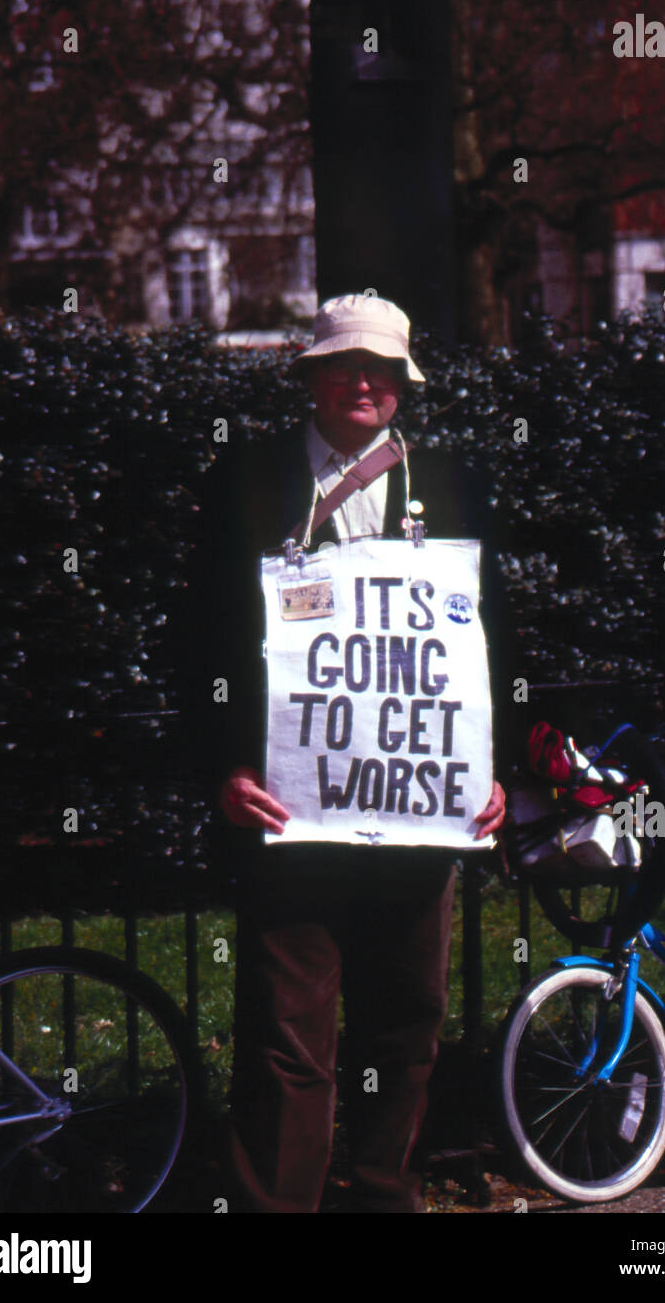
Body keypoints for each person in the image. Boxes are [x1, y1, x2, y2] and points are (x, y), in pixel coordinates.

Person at [176, 293, 506, 1213]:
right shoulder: (245, 480)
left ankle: (382, 1195)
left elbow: (490, 641)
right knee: (288, 1035)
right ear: (312, 377)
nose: (364, 382)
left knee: (406, 1025)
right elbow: (198, 640)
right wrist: (225, 768)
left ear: (403, 387)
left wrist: (491, 769)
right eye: (345, 365)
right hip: (291, 807)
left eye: (384, 370)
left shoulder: (453, 479)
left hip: (417, 809)